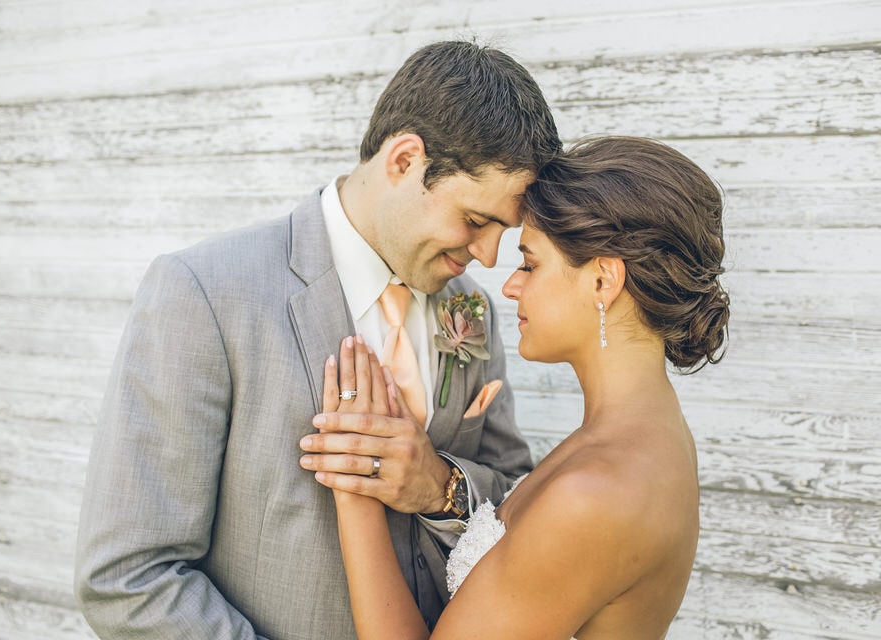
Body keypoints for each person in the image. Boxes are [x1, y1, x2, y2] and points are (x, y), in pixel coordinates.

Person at [74, 41, 562, 639]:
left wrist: (441, 485)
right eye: (476, 221)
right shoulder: (204, 291)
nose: (486, 256)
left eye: (503, 232)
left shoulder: (472, 309)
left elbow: (517, 499)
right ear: (405, 161)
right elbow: (128, 577)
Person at [308, 136, 730, 639]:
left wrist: (355, 489)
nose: (508, 284)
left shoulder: (594, 493)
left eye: (530, 263)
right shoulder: (650, 437)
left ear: (602, 282)